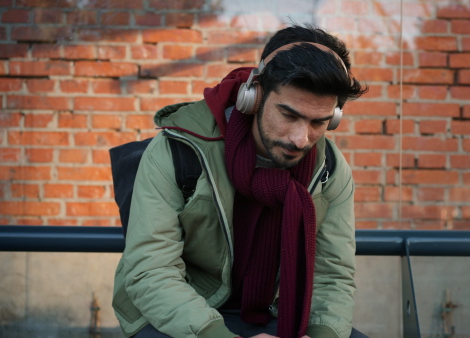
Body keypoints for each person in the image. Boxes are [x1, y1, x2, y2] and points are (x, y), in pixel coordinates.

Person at [111, 24, 367, 338]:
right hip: (176, 311)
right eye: (288, 114)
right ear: (254, 96)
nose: (301, 139)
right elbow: (151, 271)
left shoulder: (329, 170)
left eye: (319, 122)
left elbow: (333, 276)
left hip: (276, 312)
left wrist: (320, 334)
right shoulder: (178, 150)